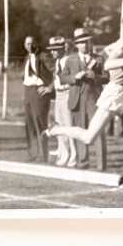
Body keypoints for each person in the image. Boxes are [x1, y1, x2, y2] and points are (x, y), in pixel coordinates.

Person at [43, 10, 123, 187]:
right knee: (88, 137)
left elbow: (110, 52)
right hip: (114, 94)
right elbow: (109, 65)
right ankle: (57, 130)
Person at [58, 28, 108, 170]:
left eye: (86, 42)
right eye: (81, 43)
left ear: (90, 43)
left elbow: (107, 77)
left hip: (94, 99)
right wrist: (74, 77)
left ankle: (101, 164)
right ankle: (83, 161)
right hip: (76, 99)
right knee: (79, 130)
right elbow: (62, 78)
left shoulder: (99, 59)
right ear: (76, 45)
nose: (84, 45)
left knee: (98, 130)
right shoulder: (70, 59)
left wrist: (95, 77)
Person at [46, 36, 77, 167]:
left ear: (62, 48)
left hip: (67, 93)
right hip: (58, 95)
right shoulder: (58, 61)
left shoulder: (69, 60)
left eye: (55, 49)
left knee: (69, 126)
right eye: (52, 49)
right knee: (59, 125)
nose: (52, 52)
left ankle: (74, 155)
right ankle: (64, 153)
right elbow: (56, 79)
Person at [23, 36, 54, 163]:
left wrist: (50, 87)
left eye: (32, 43)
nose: (30, 46)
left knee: (40, 122)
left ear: (36, 44)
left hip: (39, 91)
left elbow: (56, 72)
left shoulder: (43, 56)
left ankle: (43, 154)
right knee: (29, 124)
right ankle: (32, 153)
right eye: (27, 44)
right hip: (27, 91)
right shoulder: (27, 57)